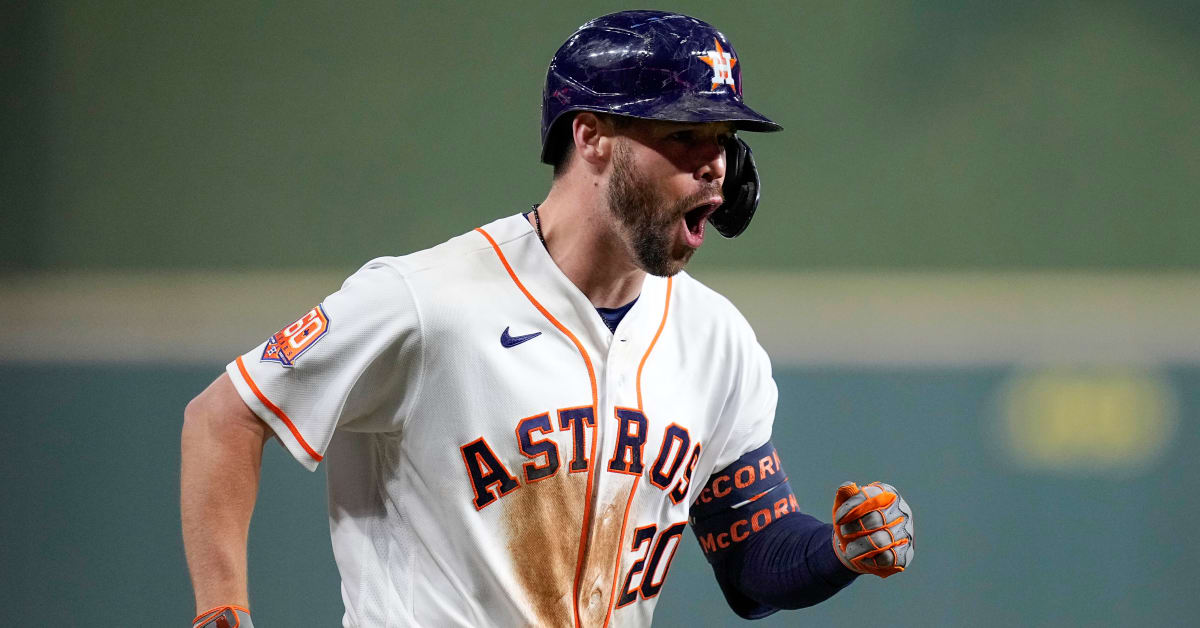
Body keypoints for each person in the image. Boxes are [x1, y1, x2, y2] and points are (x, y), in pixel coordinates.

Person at [181, 10, 913, 628]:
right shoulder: (428, 299)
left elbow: (754, 561)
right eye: (684, 134)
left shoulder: (717, 341)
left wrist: (839, 552)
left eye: (722, 138)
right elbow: (224, 417)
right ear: (590, 136)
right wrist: (222, 612)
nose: (715, 163)